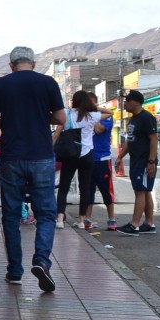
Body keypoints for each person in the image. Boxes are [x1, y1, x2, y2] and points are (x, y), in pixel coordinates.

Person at [0, 46, 66, 292]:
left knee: (10, 214)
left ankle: (14, 271)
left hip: (11, 157)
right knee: (46, 213)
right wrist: (42, 116)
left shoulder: (1, 85)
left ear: (11, 65)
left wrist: (11, 119)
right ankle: (41, 260)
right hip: (41, 155)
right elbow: (61, 118)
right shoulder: (47, 82)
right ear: (33, 62)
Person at [52, 90, 99, 231]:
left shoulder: (66, 114)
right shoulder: (93, 115)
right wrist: (92, 106)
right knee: (85, 188)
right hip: (87, 155)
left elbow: (56, 134)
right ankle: (81, 220)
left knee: (64, 187)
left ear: (74, 101)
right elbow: (109, 112)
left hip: (70, 154)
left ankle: (60, 218)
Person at [115, 90, 158, 236]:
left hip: (144, 161)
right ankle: (149, 223)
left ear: (136, 102)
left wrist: (151, 161)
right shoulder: (133, 119)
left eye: (127, 101)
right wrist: (120, 157)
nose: (125, 104)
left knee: (140, 192)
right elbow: (130, 140)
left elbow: (154, 139)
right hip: (136, 160)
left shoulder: (147, 118)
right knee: (144, 192)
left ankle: (134, 225)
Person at [87, 93, 118, 231]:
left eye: (92, 103)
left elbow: (99, 129)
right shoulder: (85, 117)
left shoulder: (106, 117)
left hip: (102, 158)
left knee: (106, 190)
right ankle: (88, 218)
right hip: (87, 158)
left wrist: (94, 113)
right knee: (88, 191)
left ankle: (111, 218)